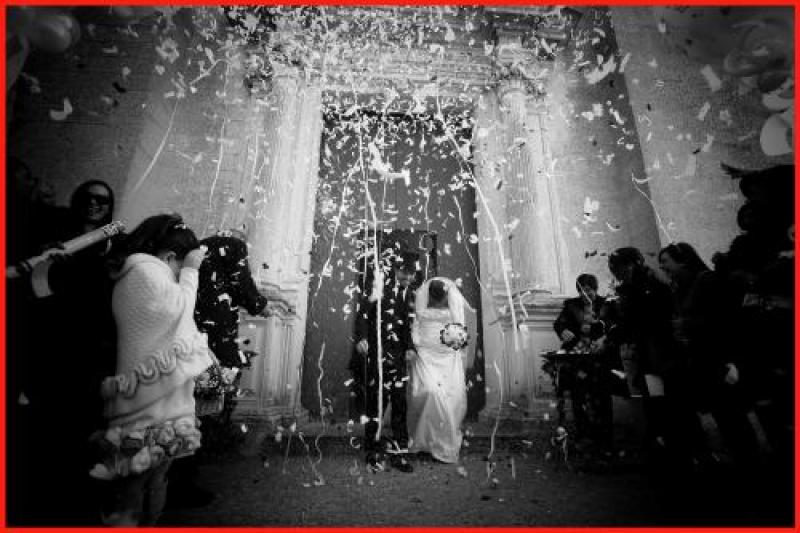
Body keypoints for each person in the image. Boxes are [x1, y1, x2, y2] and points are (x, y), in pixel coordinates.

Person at [7, 179, 122, 526]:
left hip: (90, 352)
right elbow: (37, 296)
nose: (94, 204)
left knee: (82, 428)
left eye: (102, 200)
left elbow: (107, 302)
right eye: (87, 197)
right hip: (52, 347)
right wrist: (46, 267)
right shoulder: (54, 238)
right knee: (46, 429)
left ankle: (76, 509)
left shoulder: (112, 245)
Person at [92, 214, 214, 526]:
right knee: (135, 480)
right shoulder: (144, 271)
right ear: (170, 257)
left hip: (159, 398)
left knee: (156, 475)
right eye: (179, 267)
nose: (179, 276)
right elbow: (177, 309)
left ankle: (149, 521)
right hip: (147, 402)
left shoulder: (143, 270)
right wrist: (191, 271)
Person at [167, 229, 291, 509]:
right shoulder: (233, 246)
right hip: (212, 345)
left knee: (187, 409)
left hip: (192, 340)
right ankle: (183, 480)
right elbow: (244, 287)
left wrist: (267, 299)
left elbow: (236, 287)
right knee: (200, 410)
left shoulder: (201, 258)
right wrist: (262, 305)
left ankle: (179, 475)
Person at [658, 242, 759, 466]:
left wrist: (730, 360)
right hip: (701, 359)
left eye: (665, 262)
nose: (662, 267)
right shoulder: (680, 288)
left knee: (731, 416)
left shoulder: (706, 281)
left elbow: (725, 321)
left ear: (682, 261)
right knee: (723, 415)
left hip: (718, 359)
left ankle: (751, 462)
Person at [350, 252, 419, 472]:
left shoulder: (407, 294)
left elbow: (406, 326)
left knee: (400, 405)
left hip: (397, 359)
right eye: (406, 273)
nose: (409, 278)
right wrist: (361, 338)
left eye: (412, 274)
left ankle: (399, 454)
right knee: (375, 404)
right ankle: (372, 452)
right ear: (396, 270)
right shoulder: (378, 286)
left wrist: (409, 347)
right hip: (377, 355)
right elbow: (362, 314)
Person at [407, 277, 469, 464]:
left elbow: (460, 336)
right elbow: (415, 333)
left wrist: (454, 342)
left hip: (448, 360)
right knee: (431, 392)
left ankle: (442, 442)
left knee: (447, 397)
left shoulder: (454, 311)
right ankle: (425, 441)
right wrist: (417, 347)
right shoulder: (421, 311)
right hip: (426, 359)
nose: (438, 300)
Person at [552, 274, 611, 444]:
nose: (586, 294)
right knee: (578, 393)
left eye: (589, 290)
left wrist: (600, 336)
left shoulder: (606, 304)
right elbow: (558, 324)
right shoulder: (571, 305)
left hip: (598, 357)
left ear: (595, 289)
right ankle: (582, 432)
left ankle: (604, 435)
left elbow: (610, 327)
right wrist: (563, 330)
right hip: (577, 358)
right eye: (582, 291)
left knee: (601, 395)